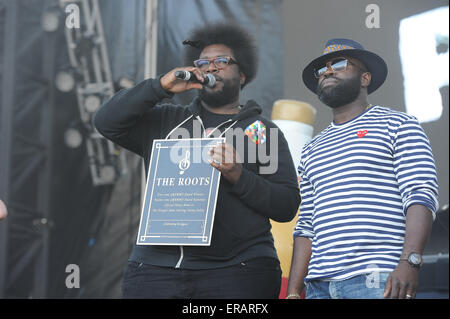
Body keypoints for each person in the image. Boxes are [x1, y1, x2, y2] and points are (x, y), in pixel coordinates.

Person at [94, 22, 300, 299]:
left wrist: (239, 176)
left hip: (238, 271)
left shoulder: (262, 131)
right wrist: (159, 86)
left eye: (222, 61)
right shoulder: (166, 120)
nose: (211, 68)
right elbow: (106, 122)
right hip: (155, 270)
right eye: (203, 62)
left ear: (242, 75)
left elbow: (286, 205)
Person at [286, 38, 438, 299]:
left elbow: (420, 195)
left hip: (378, 278)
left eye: (340, 63)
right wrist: (292, 292)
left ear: (365, 77)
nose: (329, 71)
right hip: (319, 286)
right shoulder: (312, 148)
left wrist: (409, 262)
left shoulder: (399, 125)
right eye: (321, 70)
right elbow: (306, 225)